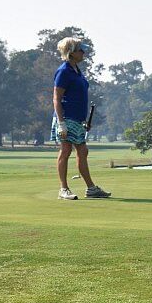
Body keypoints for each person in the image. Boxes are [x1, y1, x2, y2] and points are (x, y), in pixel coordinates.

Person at [52, 37, 110, 200]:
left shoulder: (76, 70)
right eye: (80, 50)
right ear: (71, 53)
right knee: (66, 150)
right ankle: (63, 189)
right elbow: (57, 98)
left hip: (76, 118)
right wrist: (61, 122)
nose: (83, 52)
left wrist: (83, 120)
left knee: (82, 151)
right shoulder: (64, 71)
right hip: (66, 117)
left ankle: (91, 189)